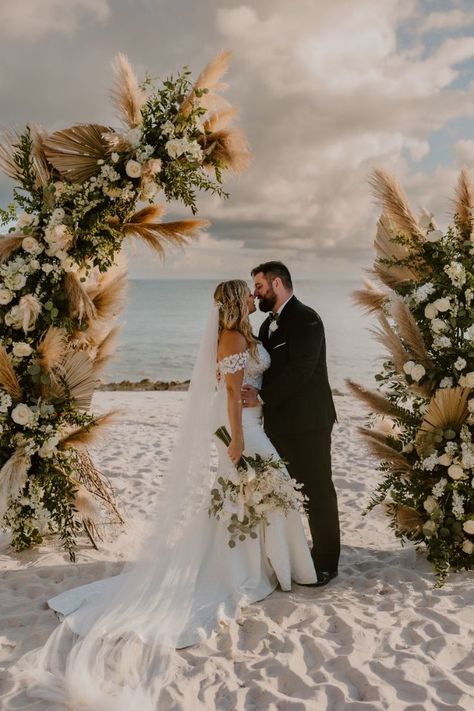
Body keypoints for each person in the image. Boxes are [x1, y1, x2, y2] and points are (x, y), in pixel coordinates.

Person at [18, 279, 316, 710]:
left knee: (253, 495)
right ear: (235, 302)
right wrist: (235, 440)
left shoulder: (244, 334)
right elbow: (232, 393)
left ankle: (261, 563)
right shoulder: (231, 336)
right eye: (247, 294)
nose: (254, 297)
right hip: (240, 429)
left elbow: (247, 386)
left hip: (253, 423)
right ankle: (255, 567)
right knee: (262, 490)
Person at [242, 262, 340, 587]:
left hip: (309, 421)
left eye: (259, 286)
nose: (256, 293)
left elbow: (301, 371)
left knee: (317, 491)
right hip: (279, 425)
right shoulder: (267, 325)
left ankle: (326, 562)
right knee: (284, 490)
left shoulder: (307, 319)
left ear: (278, 283)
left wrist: (262, 398)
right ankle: (292, 554)